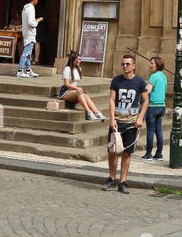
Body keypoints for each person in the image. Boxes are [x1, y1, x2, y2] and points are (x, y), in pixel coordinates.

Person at [104, 51, 148, 194]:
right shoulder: (116, 80)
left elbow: (146, 101)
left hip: (131, 123)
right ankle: (111, 179)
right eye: (123, 64)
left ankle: (123, 181)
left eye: (127, 64)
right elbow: (111, 99)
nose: (124, 66)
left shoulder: (140, 82)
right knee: (112, 151)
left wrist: (141, 117)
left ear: (134, 66)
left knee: (127, 153)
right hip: (116, 121)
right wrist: (111, 118)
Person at [59, 51, 104, 120]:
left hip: (74, 92)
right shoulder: (67, 69)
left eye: (80, 59)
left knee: (86, 96)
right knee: (79, 92)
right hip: (65, 92)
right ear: (73, 60)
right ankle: (89, 112)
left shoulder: (79, 69)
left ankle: (96, 112)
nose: (80, 61)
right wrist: (76, 88)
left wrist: (76, 88)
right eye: (78, 59)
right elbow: (66, 84)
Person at [143, 55, 167, 161]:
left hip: (152, 107)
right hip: (162, 106)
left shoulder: (153, 76)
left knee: (150, 130)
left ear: (157, 65)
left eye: (152, 63)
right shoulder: (163, 76)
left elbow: (148, 90)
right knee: (159, 130)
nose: (150, 65)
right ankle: (159, 154)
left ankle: (148, 154)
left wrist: (142, 90)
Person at [17, 0, 41, 77]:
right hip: (30, 34)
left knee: (28, 53)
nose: (37, 1)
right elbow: (31, 23)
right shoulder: (31, 8)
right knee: (26, 52)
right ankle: (20, 71)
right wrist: (37, 21)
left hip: (26, 32)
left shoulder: (25, 8)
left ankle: (28, 70)